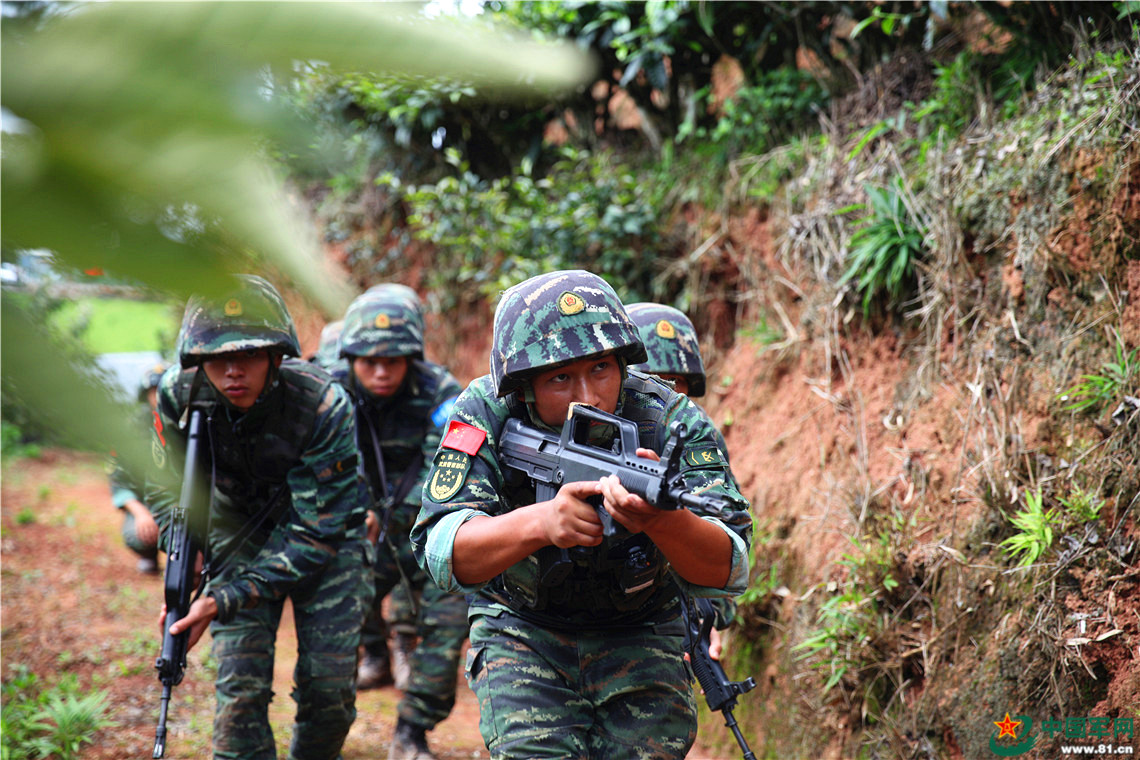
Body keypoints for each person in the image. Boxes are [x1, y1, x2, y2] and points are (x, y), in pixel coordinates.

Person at [412, 270, 753, 759]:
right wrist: (541, 522)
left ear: (622, 362)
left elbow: (729, 566)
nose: (587, 396)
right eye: (559, 378)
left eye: (601, 370)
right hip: (522, 625)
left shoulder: (668, 419)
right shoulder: (489, 409)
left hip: (640, 627)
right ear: (523, 385)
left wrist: (662, 521)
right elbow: (440, 548)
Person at [147, 274, 374, 760]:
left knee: (328, 692)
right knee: (239, 693)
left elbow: (318, 531)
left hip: (327, 539)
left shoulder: (323, 403)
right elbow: (162, 485)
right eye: (218, 358)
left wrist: (219, 600)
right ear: (198, 360)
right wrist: (182, 555)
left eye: (248, 354)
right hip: (237, 536)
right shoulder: (178, 396)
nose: (233, 371)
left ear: (276, 355)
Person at [335, 285, 468, 760]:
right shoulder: (329, 391)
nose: (380, 371)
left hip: (426, 530)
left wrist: (402, 511)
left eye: (393, 361)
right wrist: (355, 508)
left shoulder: (440, 392)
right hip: (357, 530)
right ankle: (327, 721)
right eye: (368, 360)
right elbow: (319, 462)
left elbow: (447, 466)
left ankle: (412, 729)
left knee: (449, 627)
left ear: (412, 357)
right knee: (331, 624)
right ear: (350, 357)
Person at [626, 302, 737, 657]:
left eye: (677, 383)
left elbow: (721, 524)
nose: (665, 393)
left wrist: (712, 617)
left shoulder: (697, 435)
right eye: (653, 380)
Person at [109, 360, 169, 574]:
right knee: (137, 534)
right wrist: (142, 514)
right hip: (149, 503)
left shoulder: (192, 423)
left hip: (185, 505)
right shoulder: (133, 430)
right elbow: (119, 479)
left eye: (165, 389)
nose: (159, 396)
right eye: (155, 391)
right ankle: (149, 553)